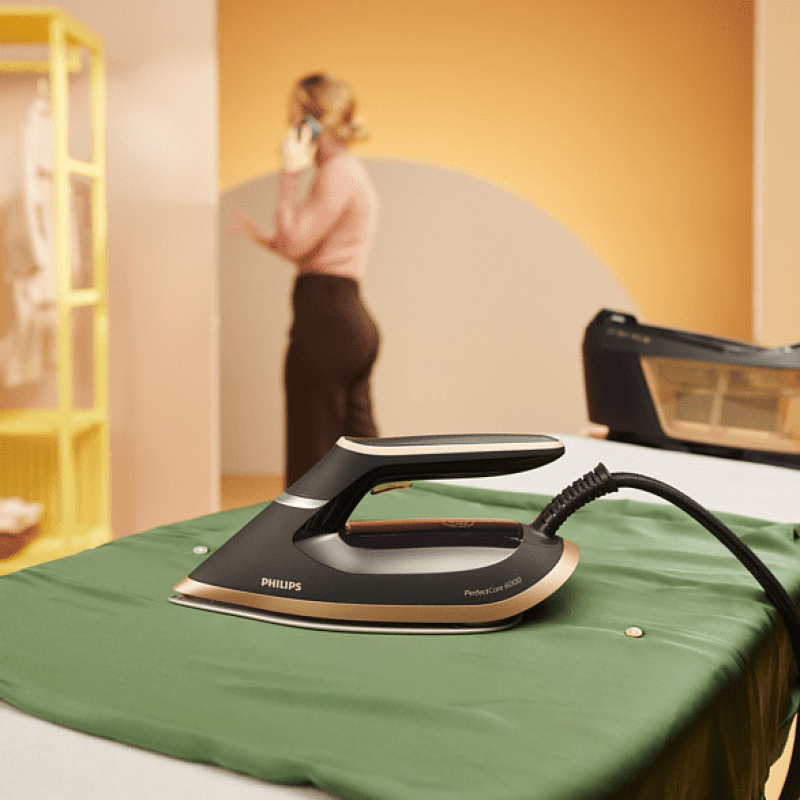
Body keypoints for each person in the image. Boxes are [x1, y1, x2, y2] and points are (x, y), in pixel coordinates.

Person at [229, 73, 381, 486]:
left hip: (326, 322)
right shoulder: (347, 171)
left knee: (311, 459)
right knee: (366, 463)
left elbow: (297, 241)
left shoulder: (336, 173)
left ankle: (307, 531)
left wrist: (289, 174)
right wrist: (265, 239)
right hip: (345, 318)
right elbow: (303, 246)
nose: (287, 125)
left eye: (293, 116)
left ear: (312, 124)